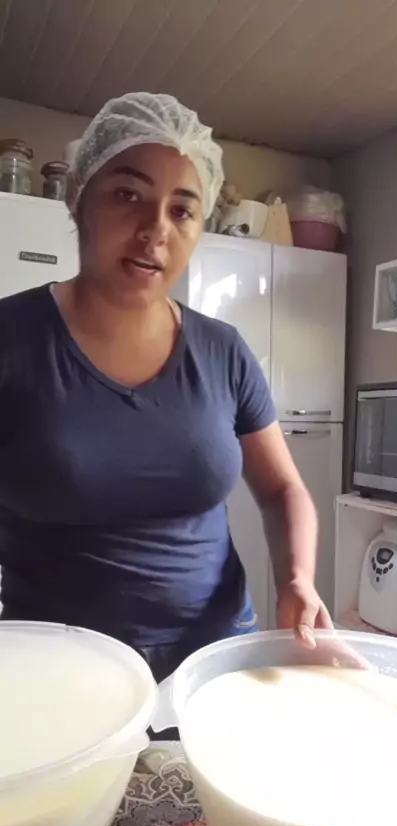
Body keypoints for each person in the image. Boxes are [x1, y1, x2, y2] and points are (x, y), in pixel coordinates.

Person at [0, 92, 333, 685]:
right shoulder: (12, 337)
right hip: (59, 674)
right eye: (128, 195)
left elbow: (283, 490)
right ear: (79, 196)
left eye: (182, 210)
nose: (155, 229)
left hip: (213, 661)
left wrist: (297, 581)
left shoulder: (223, 351)